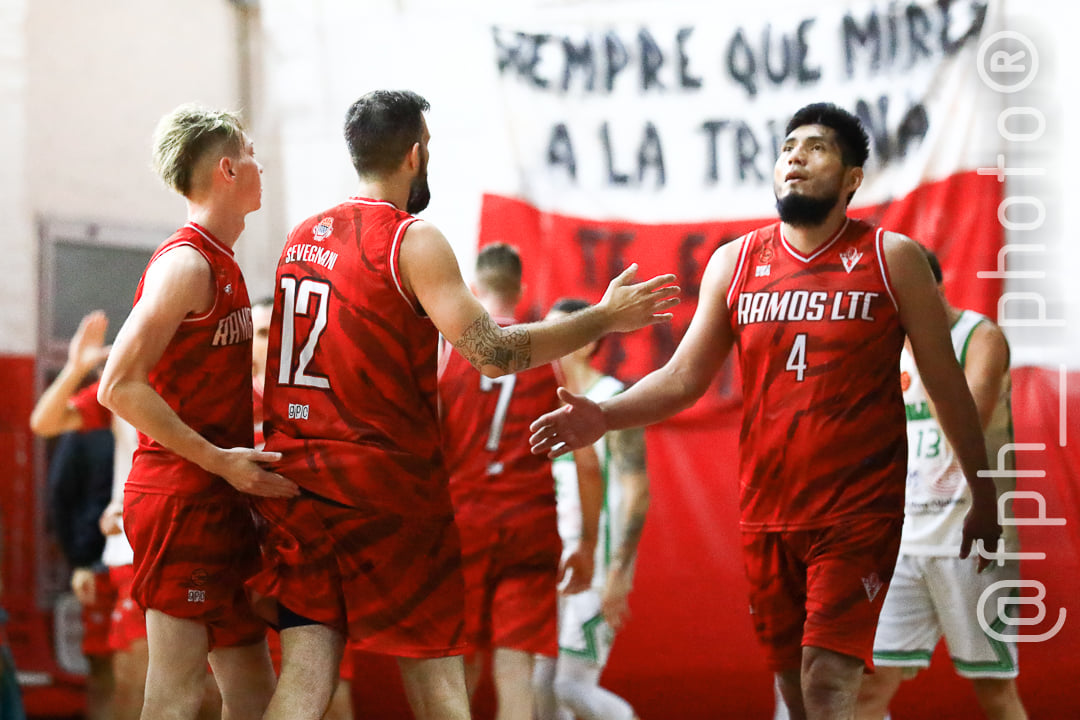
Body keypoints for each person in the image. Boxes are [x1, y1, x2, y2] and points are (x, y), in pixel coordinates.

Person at [529, 102, 1001, 720]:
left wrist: (983, 494)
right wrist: (604, 414)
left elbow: (945, 384)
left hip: (858, 510)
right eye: (787, 148)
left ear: (852, 177)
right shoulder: (736, 262)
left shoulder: (894, 259)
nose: (795, 158)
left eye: (816, 147)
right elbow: (682, 378)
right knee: (796, 696)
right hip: (769, 509)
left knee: (828, 680)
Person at [247, 89, 678, 720]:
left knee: (306, 677)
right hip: (385, 493)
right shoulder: (411, 240)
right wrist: (604, 318)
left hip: (301, 482)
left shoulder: (300, 237)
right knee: (442, 684)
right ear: (416, 153)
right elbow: (494, 354)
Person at [97, 103, 297, 720]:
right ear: (229, 170)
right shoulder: (185, 264)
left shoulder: (225, 260)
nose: (264, 166)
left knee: (255, 692)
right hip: (182, 496)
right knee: (176, 694)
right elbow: (117, 385)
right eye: (255, 155)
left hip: (219, 495)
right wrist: (220, 462)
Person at [855, 248, 1028, 720]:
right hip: (900, 543)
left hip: (968, 540)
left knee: (993, 689)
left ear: (933, 289)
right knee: (868, 688)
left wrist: (923, 348)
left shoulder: (980, 336)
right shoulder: (884, 352)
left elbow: (967, 424)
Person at [439, 245, 603, 720]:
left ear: (474, 287)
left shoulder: (447, 351)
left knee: (459, 664)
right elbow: (587, 464)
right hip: (528, 522)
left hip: (462, 521)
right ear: (521, 290)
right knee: (515, 666)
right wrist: (587, 544)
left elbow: (427, 442)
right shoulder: (549, 354)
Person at [533, 298, 651, 720]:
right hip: (557, 564)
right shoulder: (544, 402)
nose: (545, 341)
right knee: (540, 689)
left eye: (557, 331)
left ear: (586, 342)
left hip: (597, 568)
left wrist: (621, 572)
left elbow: (637, 490)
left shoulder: (611, 400)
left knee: (571, 686)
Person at [250, 296, 356, 720]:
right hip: (244, 565)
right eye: (256, 334)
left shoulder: (310, 401)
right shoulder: (224, 402)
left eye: (268, 334)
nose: (261, 344)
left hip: (300, 562)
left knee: (325, 686)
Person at [30, 310, 120, 720]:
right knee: (104, 670)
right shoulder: (101, 407)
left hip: (159, 553)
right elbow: (60, 495)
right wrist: (79, 560)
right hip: (102, 559)